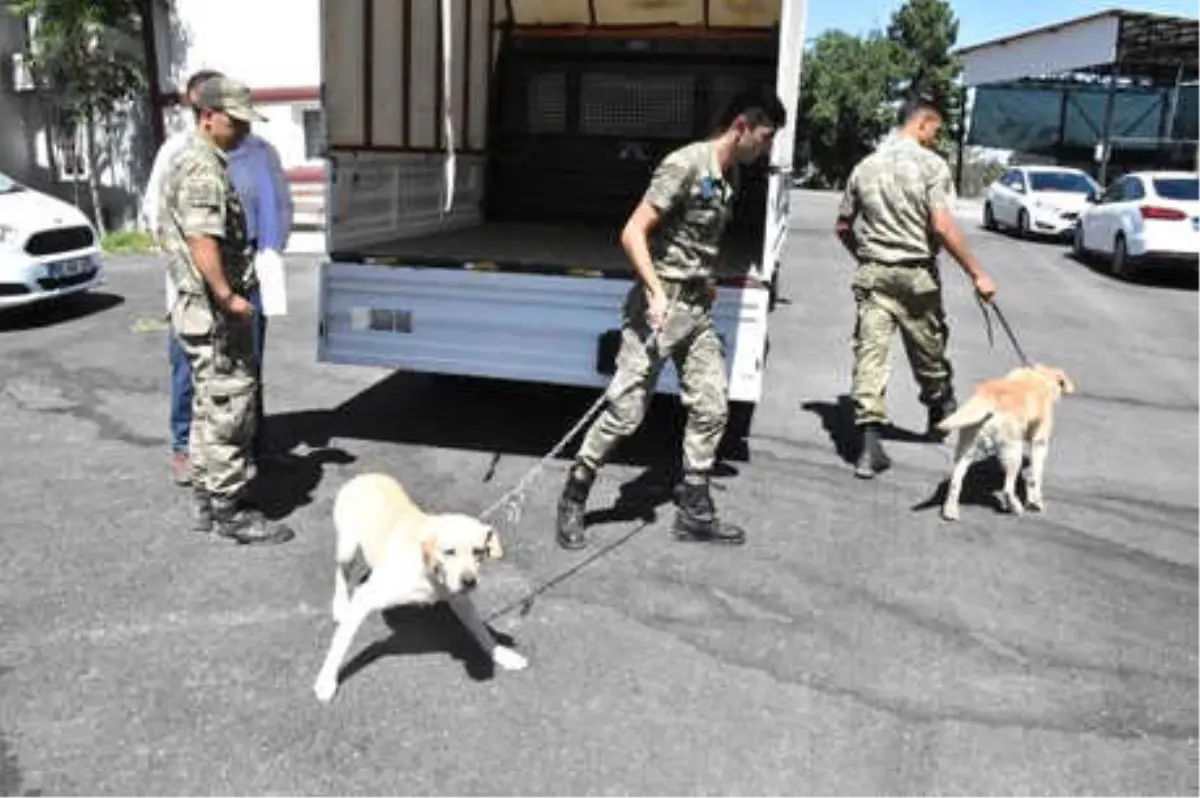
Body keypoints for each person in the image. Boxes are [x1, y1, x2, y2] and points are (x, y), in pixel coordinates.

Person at [554, 88, 787, 550]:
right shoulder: (685, 164)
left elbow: (697, 239)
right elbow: (633, 233)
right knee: (625, 414)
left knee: (712, 406)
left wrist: (708, 277)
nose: (765, 149)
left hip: (697, 309)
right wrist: (657, 293)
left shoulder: (730, 174)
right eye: (763, 138)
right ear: (740, 126)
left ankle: (695, 510)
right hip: (658, 308)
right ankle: (575, 492)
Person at [156, 75, 294, 545]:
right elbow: (202, 240)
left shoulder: (194, 159)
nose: (239, 130)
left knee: (206, 406)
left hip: (199, 307)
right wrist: (227, 296)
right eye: (233, 121)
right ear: (207, 115)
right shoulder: (202, 168)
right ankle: (230, 511)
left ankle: (206, 500)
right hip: (212, 312)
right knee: (228, 408)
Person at [833, 92, 998, 480]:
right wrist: (978, 273)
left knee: (869, 356)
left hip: (874, 275)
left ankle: (869, 447)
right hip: (917, 276)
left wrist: (865, 256)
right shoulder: (931, 166)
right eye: (935, 130)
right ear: (922, 123)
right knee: (928, 351)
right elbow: (941, 226)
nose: (936, 139)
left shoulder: (865, 166)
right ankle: (940, 407)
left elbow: (842, 226)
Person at [143, 69, 222, 486]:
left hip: (235, 287)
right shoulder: (175, 151)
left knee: (237, 373)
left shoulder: (244, 148)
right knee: (186, 372)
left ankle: (237, 446)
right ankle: (182, 447)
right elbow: (156, 216)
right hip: (190, 292)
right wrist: (186, 275)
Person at [226, 118, 294, 460]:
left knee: (251, 359)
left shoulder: (262, 151)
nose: (243, 122)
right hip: (213, 265)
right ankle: (203, 449)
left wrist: (272, 249)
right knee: (213, 364)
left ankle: (256, 440)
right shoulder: (187, 153)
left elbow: (281, 204)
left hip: (253, 259)